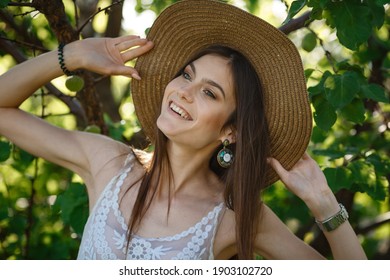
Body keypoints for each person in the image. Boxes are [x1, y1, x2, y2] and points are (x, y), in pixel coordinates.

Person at [0, 0, 366, 260]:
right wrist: (75, 55)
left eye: (209, 92)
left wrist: (325, 205)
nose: (183, 92)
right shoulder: (108, 163)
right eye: (186, 75)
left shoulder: (236, 218)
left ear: (231, 132)